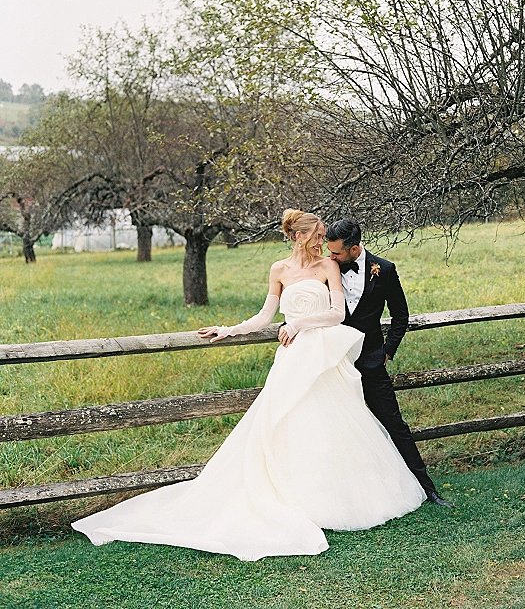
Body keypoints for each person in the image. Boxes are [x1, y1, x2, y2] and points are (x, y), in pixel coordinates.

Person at [72, 210, 426, 561]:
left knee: (331, 427)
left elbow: (336, 314)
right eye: (318, 236)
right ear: (301, 236)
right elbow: (264, 316)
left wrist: (300, 322)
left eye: (325, 238)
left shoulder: (327, 267)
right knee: (289, 425)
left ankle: (337, 498)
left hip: (323, 357)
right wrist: (229, 330)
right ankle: (293, 498)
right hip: (293, 359)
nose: (323, 243)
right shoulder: (279, 270)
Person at [322, 218, 451, 507]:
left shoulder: (385, 270)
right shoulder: (325, 269)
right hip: (335, 364)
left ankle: (426, 487)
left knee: (394, 424)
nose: (331, 258)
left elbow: (400, 315)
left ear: (354, 249)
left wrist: (386, 352)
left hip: (370, 362)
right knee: (337, 429)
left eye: (336, 254)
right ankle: (345, 498)